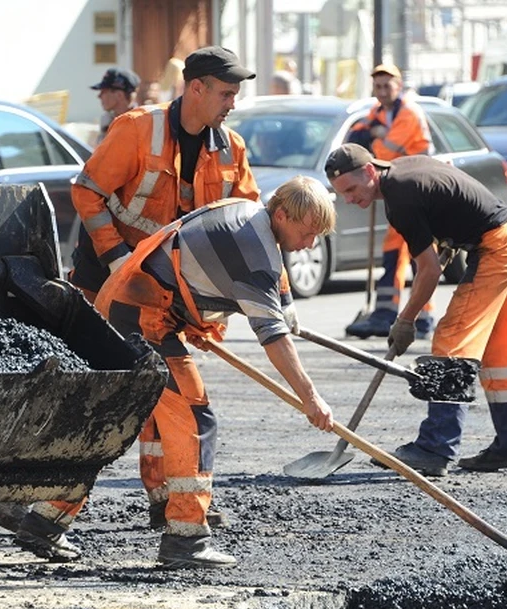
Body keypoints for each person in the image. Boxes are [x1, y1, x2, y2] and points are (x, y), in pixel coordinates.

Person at [2, 45, 260, 562]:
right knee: (173, 403)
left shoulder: (229, 149)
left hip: (160, 298)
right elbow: (87, 191)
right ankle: (183, 530)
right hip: (110, 290)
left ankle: (83, 510)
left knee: (132, 404)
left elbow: (240, 226)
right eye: (227, 93)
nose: (233, 103)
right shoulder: (138, 129)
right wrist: (118, 256)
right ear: (196, 89)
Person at [93, 176, 336, 568]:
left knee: (149, 418)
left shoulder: (252, 216)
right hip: (141, 316)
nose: (309, 245)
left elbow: (277, 292)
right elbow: (273, 338)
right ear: (282, 214)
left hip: (140, 305)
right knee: (193, 417)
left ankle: (51, 518)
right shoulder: (253, 254)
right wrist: (311, 398)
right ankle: (185, 539)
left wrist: (287, 316)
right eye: (307, 234)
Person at [326, 143, 507, 478]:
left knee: (452, 340)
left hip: (497, 245)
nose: (350, 199)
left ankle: (436, 447)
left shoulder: (400, 198)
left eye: (351, 189)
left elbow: (429, 271)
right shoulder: (403, 171)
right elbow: (445, 198)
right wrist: (448, 236)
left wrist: (405, 320)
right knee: (498, 351)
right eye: (342, 194)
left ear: (368, 171)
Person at [343, 63, 438, 341]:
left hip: (417, 185)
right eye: (378, 86)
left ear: (398, 86)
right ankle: (392, 311)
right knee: (398, 248)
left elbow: (384, 151)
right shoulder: (378, 113)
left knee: (418, 250)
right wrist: (369, 134)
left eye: (387, 85)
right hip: (399, 186)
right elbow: (358, 136)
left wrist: (374, 137)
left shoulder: (408, 113)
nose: (382, 91)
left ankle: (416, 315)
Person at [91, 66, 140, 146]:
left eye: (104, 91)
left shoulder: (141, 121)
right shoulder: (106, 120)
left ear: (119, 95)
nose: (99, 96)